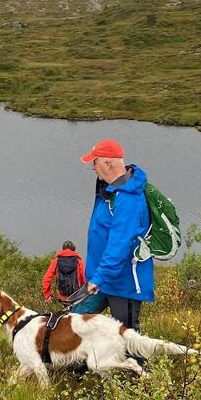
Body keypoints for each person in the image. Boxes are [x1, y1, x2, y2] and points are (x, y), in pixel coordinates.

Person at [71, 139, 154, 331]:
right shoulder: (111, 191)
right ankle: (83, 361)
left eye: (95, 162)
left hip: (122, 283)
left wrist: (97, 280)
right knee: (73, 325)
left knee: (127, 337)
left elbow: (120, 246)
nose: (92, 168)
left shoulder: (128, 199)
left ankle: (136, 362)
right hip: (101, 278)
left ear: (108, 164)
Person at [42, 240, 86, 305]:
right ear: (74, 249)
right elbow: (84, 279)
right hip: (75, 296)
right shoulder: (79, 261)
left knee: (62, 314)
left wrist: (47, 295)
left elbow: (47, 278)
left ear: (63, 249)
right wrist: (83, 294)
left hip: (61, 297)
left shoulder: (56, 261)